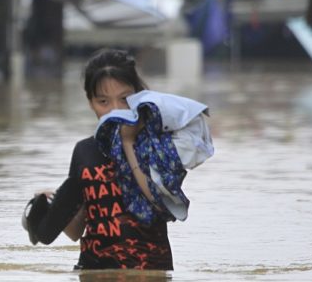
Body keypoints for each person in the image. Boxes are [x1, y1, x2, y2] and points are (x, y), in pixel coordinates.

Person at [23, 48, 212, 270]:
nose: (115, 110)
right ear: (90, 103)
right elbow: (75, 231)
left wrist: (128, 143)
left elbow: (160, 203)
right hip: (94, 276)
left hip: (150, 275)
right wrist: (51, 201)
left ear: (139, 94)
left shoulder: (161, 147)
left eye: (124, 99)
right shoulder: (85, 151)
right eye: (103, 101)